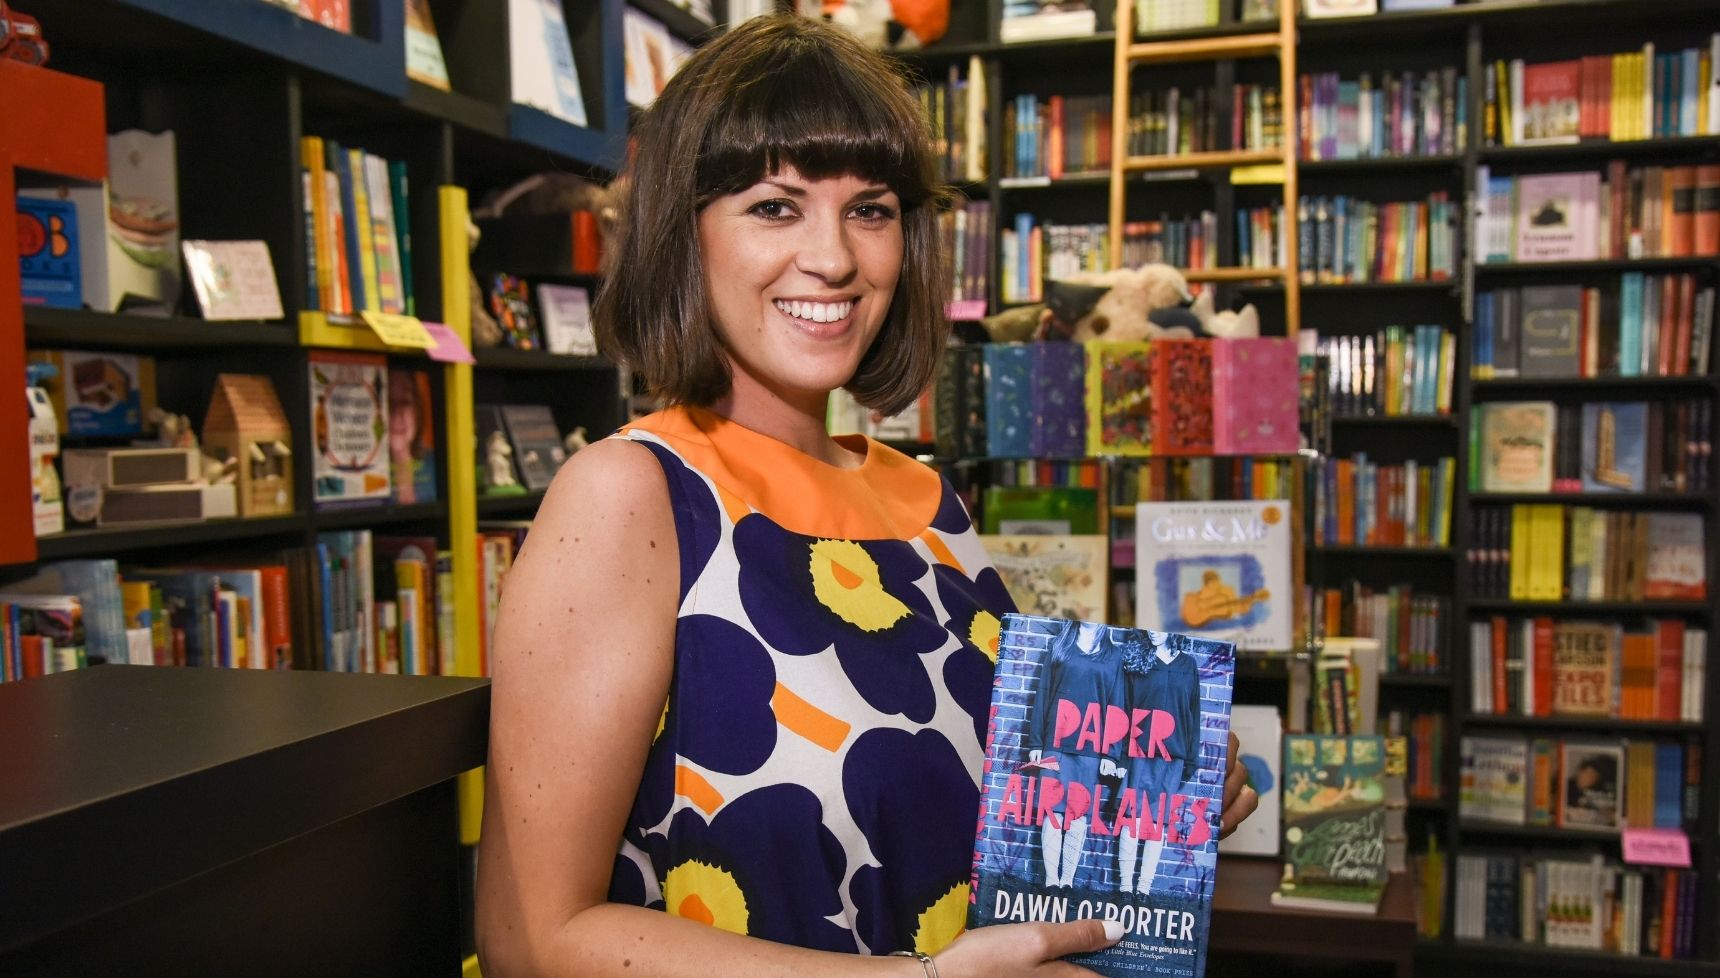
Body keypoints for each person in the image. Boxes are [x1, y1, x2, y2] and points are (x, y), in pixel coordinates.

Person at [475, 15, 1258, 978]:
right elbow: (531, 941)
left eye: (871, 208)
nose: (835, 258)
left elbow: (985, 824)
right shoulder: (629, 498)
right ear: (686, 232)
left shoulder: (930, 503)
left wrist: (1145, 797)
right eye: (774, 206)